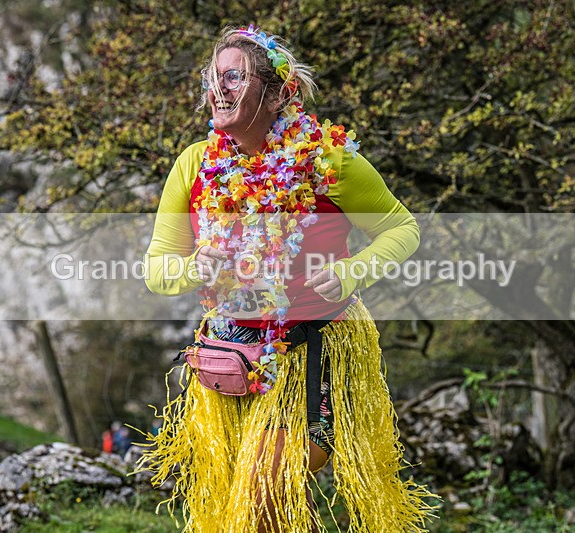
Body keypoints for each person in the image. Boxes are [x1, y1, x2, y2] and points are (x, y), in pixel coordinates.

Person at [139, 26, 435, 532]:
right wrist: (194, 269)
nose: (219, 89)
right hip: (229, 358)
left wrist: (352, 271)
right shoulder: (194, 165)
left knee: (263, 490)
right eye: (214, 78)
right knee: (266, 515)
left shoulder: (329, 161)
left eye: (235, 76)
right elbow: (157, 269)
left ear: (279, 93)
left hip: (312, 354)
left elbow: (402, 229)